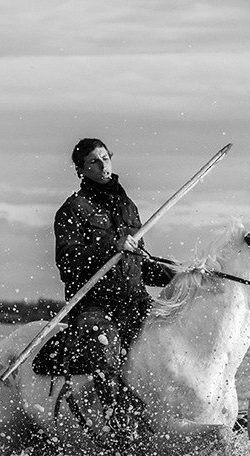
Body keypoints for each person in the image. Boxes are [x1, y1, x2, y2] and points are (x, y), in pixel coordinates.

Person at [52, 137, 176, 440]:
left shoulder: (127, 206)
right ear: (81, 170)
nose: (103, 165)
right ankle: (122, 429)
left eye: (106, 158)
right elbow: (67, 264)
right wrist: (110, 246)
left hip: (135, 301)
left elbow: (139, 264)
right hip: (94, 307)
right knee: (104, 351)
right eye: (94, 161)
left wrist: (176, 274)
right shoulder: (72, 210)